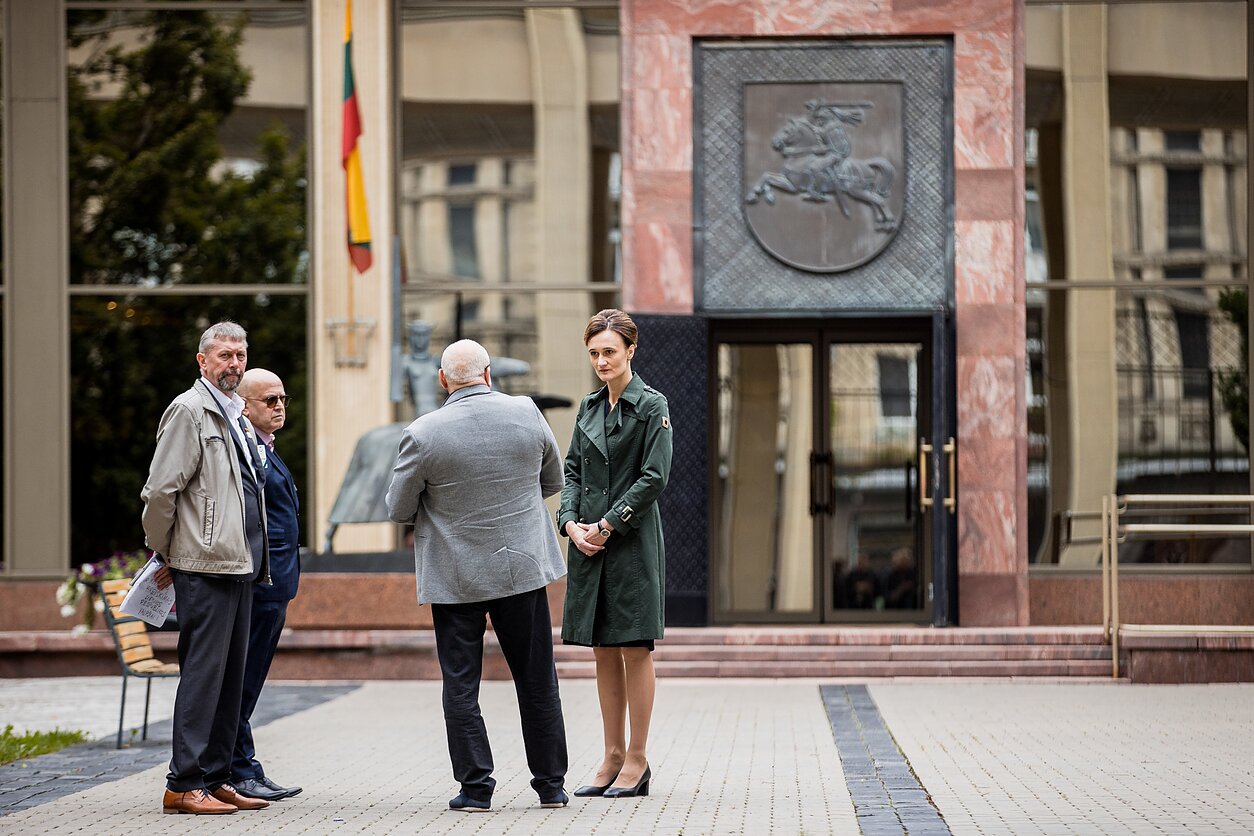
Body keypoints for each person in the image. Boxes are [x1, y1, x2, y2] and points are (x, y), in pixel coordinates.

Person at [385, 339, 569, 813]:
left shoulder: (423, 432)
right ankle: (551, 785)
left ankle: (475, 788)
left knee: (461, 685)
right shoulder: (528, 413)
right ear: (489, 374)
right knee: (536, 679)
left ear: (443, 380)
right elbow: (553, 482)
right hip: (521, 569)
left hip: (455, 575)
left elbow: (399, 507)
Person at [141, 321, 271, 815]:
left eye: (240, 354)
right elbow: (160, 492)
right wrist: (165, 550)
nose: (233, 363)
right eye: (224, 355)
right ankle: (183, 782)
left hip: (239, 565)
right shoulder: (189, 410)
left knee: (229, 679)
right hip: (204, 565)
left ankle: (216, 778)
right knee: (203, 676)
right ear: (203, 361)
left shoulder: (233, 412)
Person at [558, 309, 672, 799]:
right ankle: (611, 754)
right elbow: (571, 474)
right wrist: (570, 523)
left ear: (631, 350)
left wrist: (608, 524)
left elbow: (654, 477)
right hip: (588, 544)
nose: (601, 361)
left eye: (609, 351)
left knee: (634, 646)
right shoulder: (587, 407)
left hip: (629, 542)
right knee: (602, 648)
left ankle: (639, 758)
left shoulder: (652, 405)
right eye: (594, 354)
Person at [229, 368, 303, 801]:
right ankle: (241, 770)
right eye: (268, 400)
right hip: (259, 582)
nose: (278, 407)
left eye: (282, 399)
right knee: (244, 680)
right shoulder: (243, 450)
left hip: (276, 584)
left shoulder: (266, 448)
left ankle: (240, 767)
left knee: (249, 679)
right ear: (244, 405)